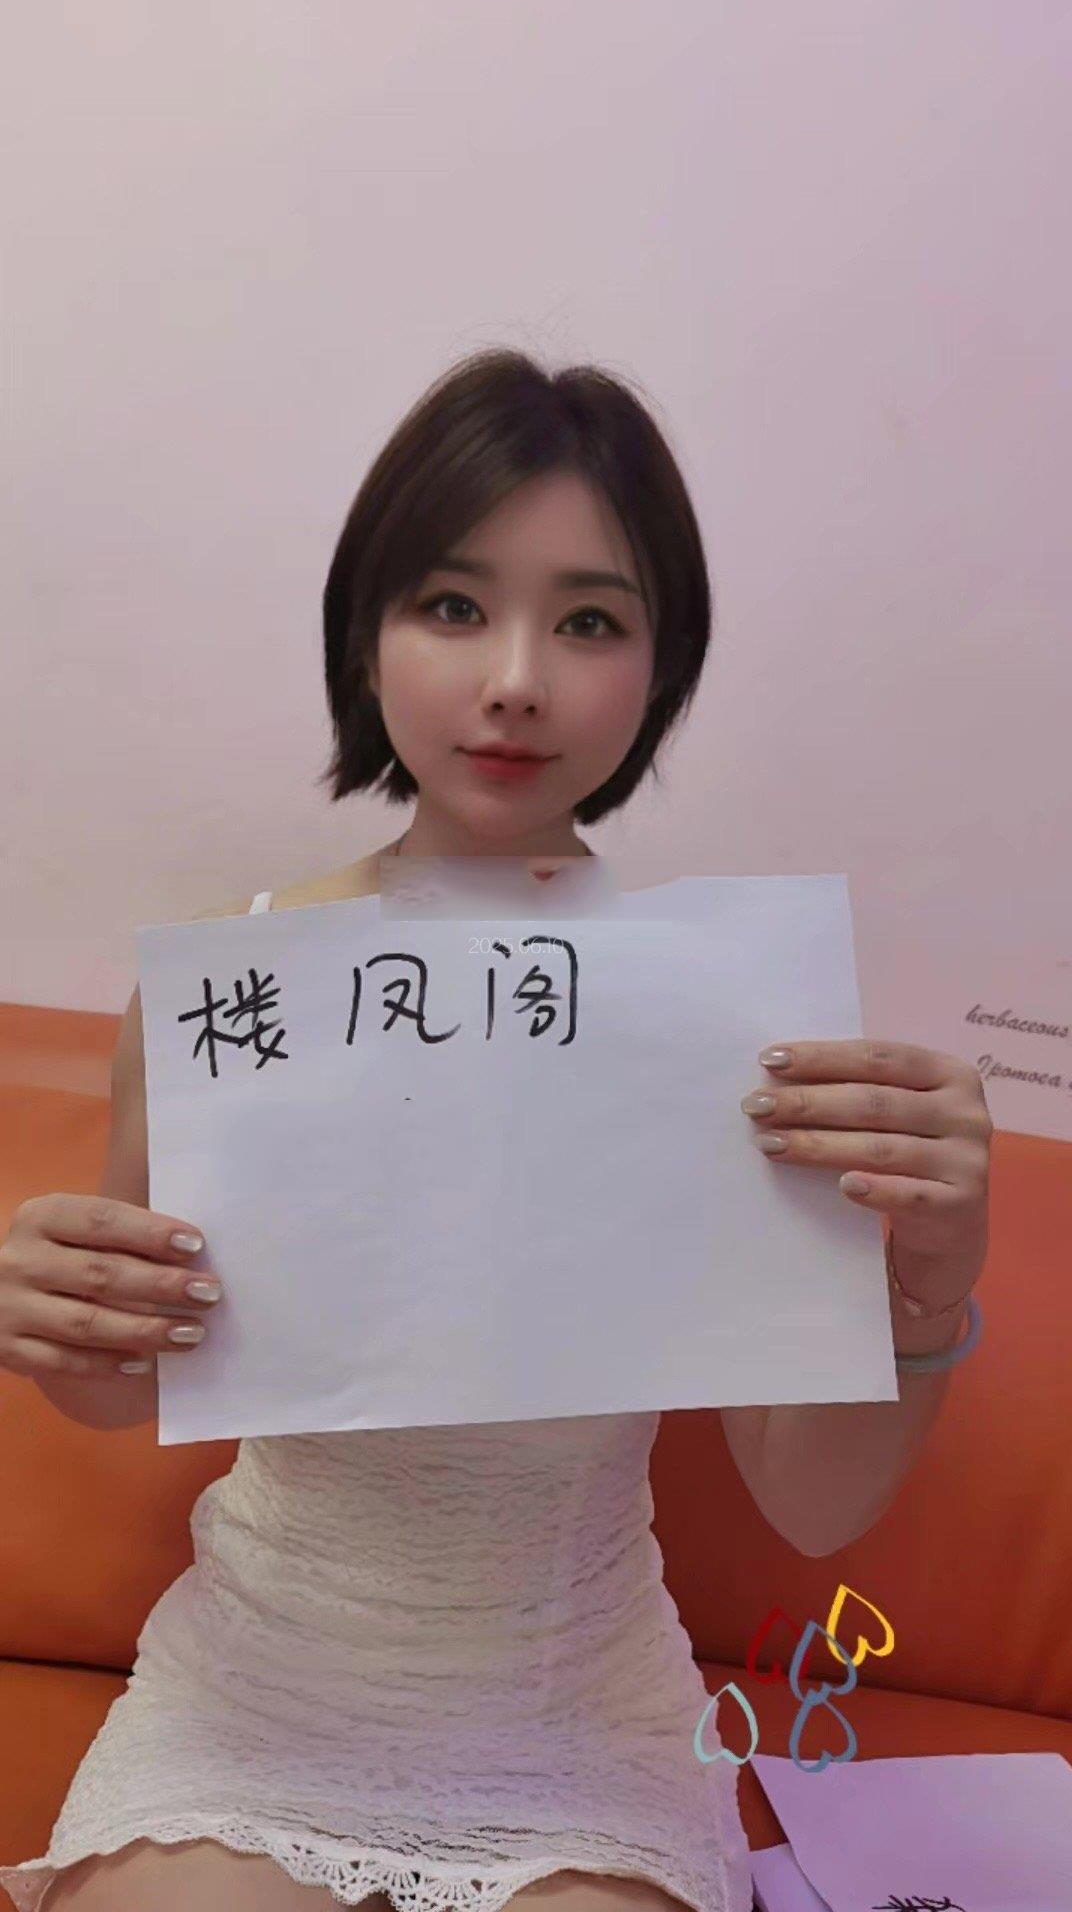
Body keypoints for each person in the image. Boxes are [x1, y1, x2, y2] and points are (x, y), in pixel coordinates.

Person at [0, 348, 764, 1911]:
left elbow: (817, 1500)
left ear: (662, 664)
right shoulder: (235, 982)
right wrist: (56, 1316)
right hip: (255, 1694)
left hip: (583, 1720)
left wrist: (921, 1284)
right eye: (453, 605)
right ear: (368, 633)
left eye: (591, 621)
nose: (517, 681)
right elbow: (130, 1381)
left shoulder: (715, 1024)